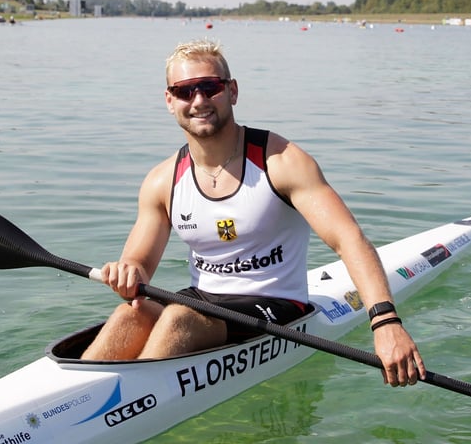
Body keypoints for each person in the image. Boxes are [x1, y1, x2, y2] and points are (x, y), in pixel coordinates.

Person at [81, 39, 425, 387]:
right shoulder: (161, 181)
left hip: (275, 302)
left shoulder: (282, 161)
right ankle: (83, 397)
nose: (198, 100)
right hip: (203, 302)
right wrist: (127, 273)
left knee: (176, 320)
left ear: (232, 91)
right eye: (185, 91)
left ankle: (134, 401)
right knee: (130, 314)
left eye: (209, 87)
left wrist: (386, 323)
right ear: (170, 101)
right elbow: (138, 265)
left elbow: (349, 240)